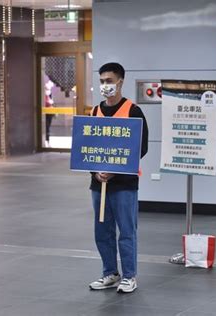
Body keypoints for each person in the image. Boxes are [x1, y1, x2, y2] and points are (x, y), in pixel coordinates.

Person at [88, 62, 148, 293]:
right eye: (102, 81)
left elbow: (140, 147)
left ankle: (129, 276)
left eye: (109, 81)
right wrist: (96, 172)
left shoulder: (133, 111)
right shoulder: (95, 111)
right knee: (102, 231)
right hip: (98, 183)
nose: (105, 85)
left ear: (120, 81)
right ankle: (110, 273)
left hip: (124, 184)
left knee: (126, 230)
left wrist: (115, 170)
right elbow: (88, 148)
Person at [44, 80, 55, 147]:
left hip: (50, 112)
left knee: (48, 127)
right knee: (46, 127)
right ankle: (46, 141)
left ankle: (47, 141)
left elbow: (51, 102)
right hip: (45, 112)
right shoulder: (44, 94)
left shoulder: (49, 94)